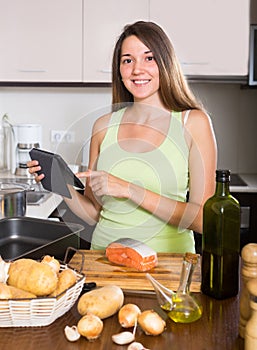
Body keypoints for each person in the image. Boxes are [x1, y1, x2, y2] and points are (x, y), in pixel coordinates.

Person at [28, 21, 217, 253]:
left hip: (169, 265)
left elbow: (202, 220)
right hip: (103, 260)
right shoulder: (103, 127)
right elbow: (95, 213)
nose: (137, 69)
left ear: (166, 63)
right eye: (128, 60)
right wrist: (60, 185)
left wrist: (130, 190)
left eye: (149, 58)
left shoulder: (193, 123)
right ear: (119, 69)